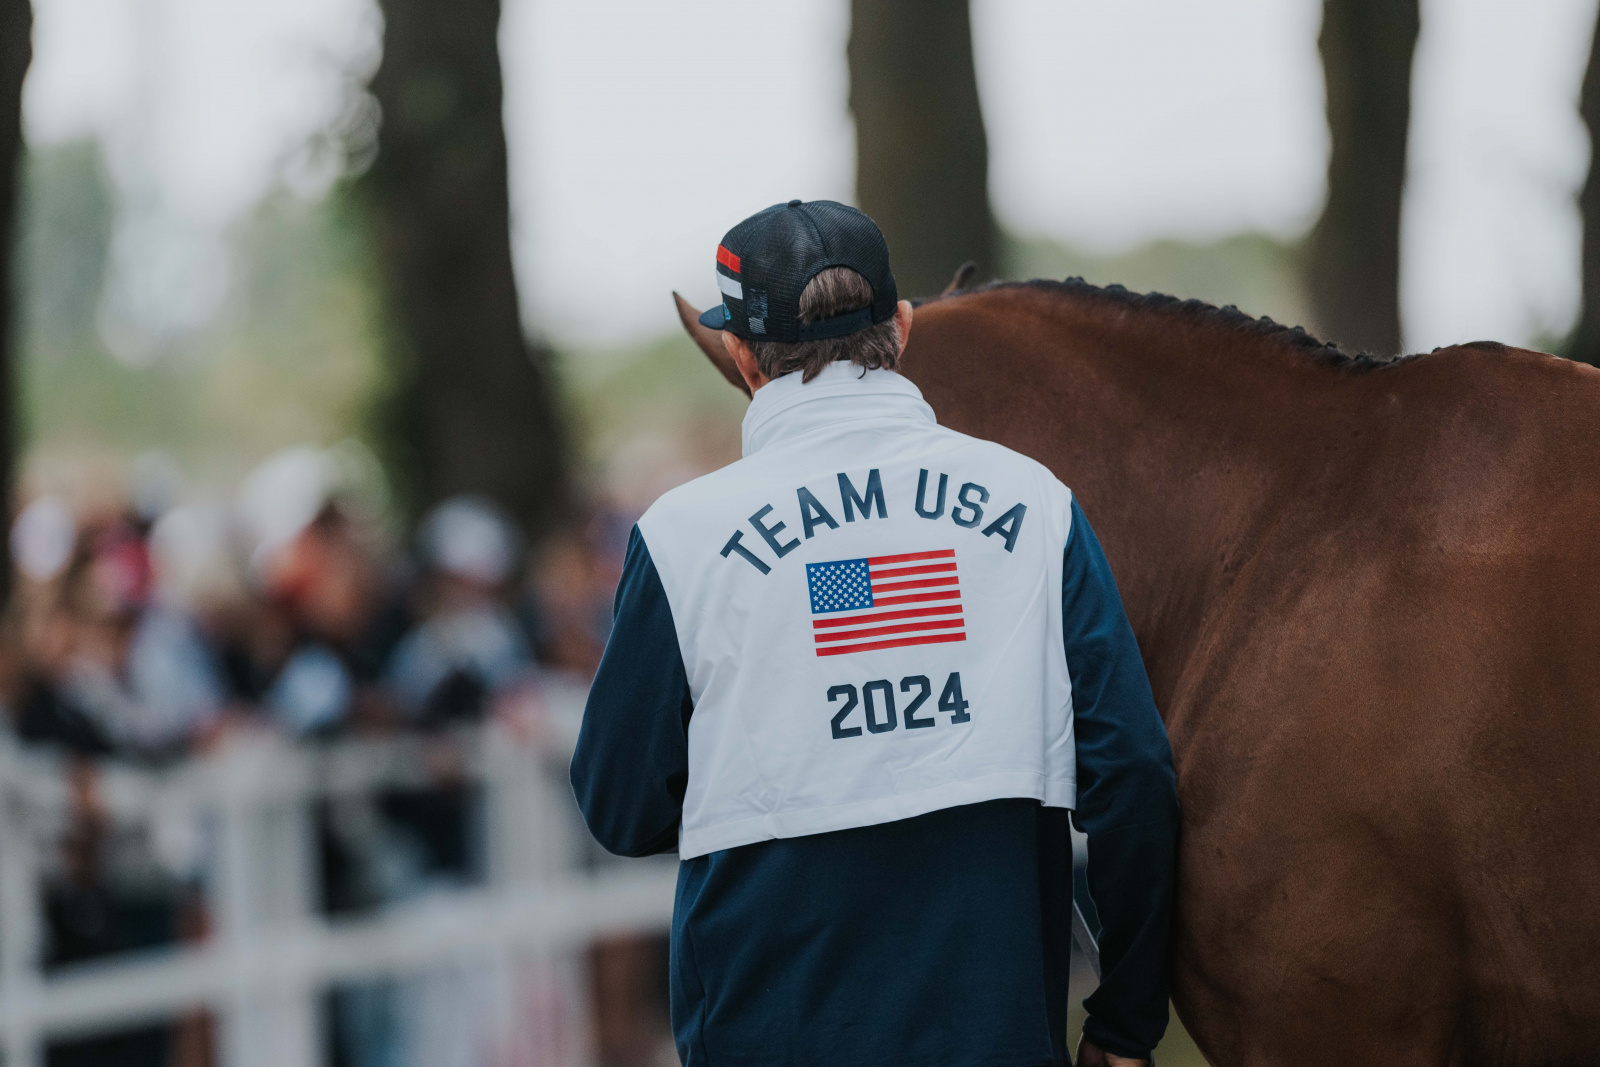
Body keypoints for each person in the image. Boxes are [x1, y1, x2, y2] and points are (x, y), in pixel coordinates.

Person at [570, 200, 1179, 1067]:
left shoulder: (681, 535)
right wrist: (1125, 1025)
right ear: (901, 326)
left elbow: (621, 809)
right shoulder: (1036, 502)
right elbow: (1136, 774)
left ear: (741, 356)